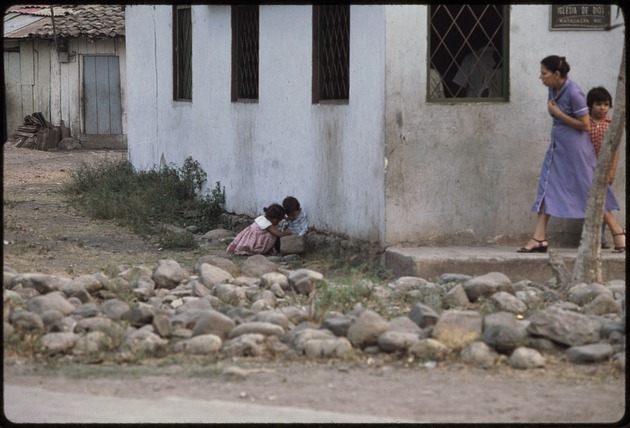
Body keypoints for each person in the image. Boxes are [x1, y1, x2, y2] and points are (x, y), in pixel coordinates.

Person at [518, 55, 625, 253]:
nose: (540, 77)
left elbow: (585, 125)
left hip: (575, 152)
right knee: (546, 188)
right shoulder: (553, 88)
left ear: (556, 74)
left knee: (590, 190)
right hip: (558, 150)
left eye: (544, 73)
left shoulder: (574, 93)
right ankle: (539, 238)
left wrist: (559, 114)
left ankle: (618, 233)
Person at [586, 86, 622, 249]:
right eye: (598, 104)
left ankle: (600, 237)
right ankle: (597, 237)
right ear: (590, 105)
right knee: (591, 203)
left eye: (606, 104)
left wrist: (612, 171)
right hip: (587, 168)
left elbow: (615, 149)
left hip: (604, 169)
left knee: (602, 201)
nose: (602, 108)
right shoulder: (585, 123)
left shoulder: (611, 124)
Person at [226, 203, 292, 256]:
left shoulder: (261, 218)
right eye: (279, 221)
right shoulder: (268, 225)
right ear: (275, 220)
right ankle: (260, 250)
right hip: (253, 240)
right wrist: (287, 233)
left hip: (248, 237)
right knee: (271, 235)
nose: (278, 223)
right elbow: (278, 234)